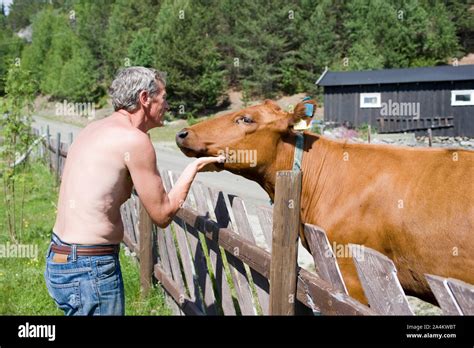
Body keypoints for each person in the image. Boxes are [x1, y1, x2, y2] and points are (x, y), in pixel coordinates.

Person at [44, 67, 222, 315]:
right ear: (144, 99)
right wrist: (194, 167)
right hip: (90, 267)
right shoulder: (134, 140)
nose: (168, 106)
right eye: (164, 98)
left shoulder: (93, 129)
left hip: (60, 258)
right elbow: (161, 214)